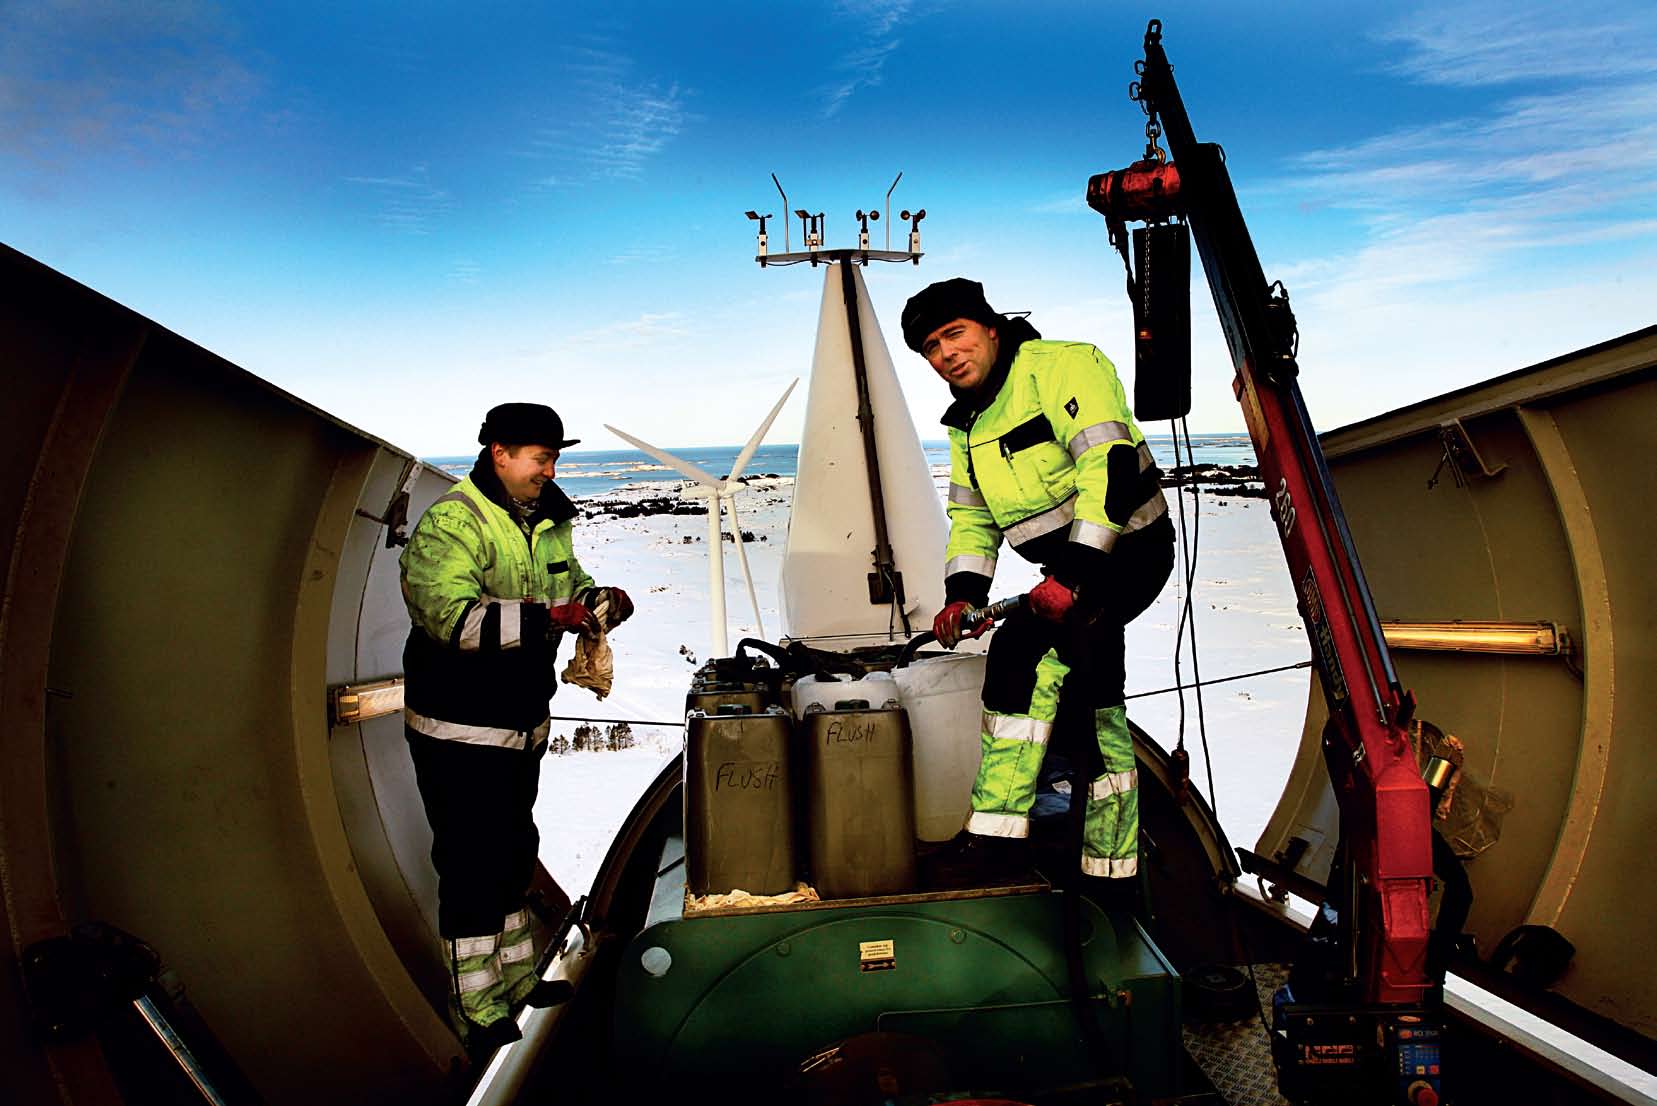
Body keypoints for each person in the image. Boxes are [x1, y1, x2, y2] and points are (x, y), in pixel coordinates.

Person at [900, 278, 1173, 891]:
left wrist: (1073, 577)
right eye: (931, 347)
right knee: (1095, 699)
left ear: (990, 328)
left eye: (955, 334)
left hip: (1126, 550)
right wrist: (962, 595)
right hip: (1067, 569)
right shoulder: (966, 424)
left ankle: (996, 842)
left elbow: (1111, 467)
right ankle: (1110, 865)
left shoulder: (1061, 367)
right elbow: (972, 519)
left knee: (1023, 653)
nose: (946, 353)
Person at [399, 402, 633, 1054]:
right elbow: (451, 619)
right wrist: (548, 617)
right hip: (459, 728)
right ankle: (476, 1005)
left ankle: (518, 979)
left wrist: (599, 605)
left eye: (555, 457)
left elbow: (573, 588)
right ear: (498, 453)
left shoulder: (548, 521)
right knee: (471, 863)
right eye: (539, 457)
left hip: (519, 724)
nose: (549, 469)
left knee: (509, 854)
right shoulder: (453, 522)